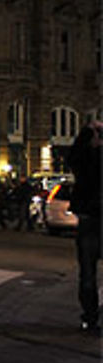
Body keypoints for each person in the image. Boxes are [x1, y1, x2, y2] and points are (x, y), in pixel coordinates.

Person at [68, 121, 102, 333]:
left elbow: (73, 156)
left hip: (89, 219)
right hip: (93, 218)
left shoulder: (84, 160)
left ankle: (90, 318)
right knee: (87, 274)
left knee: (88, 274)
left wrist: (89, 131)